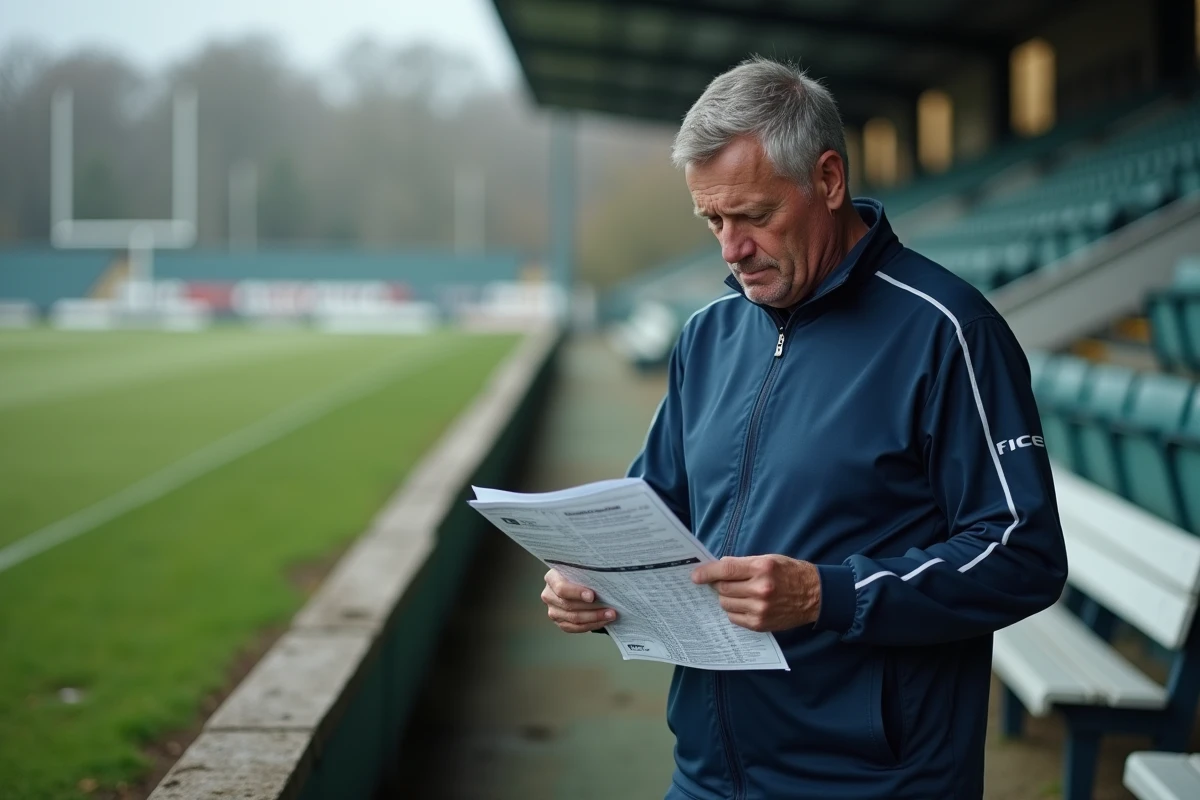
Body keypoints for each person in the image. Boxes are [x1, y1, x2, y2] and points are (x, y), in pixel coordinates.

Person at [540, 56, 1067, 799]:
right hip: (707, 775)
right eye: (713, 220)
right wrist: (591, 582)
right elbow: (655, 509)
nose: (731, 249)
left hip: (874, 782)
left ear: (827, 180)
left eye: (754, 216)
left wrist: (830, 595)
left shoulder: (949, 332)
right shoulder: (708, 335)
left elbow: (1022, 552)